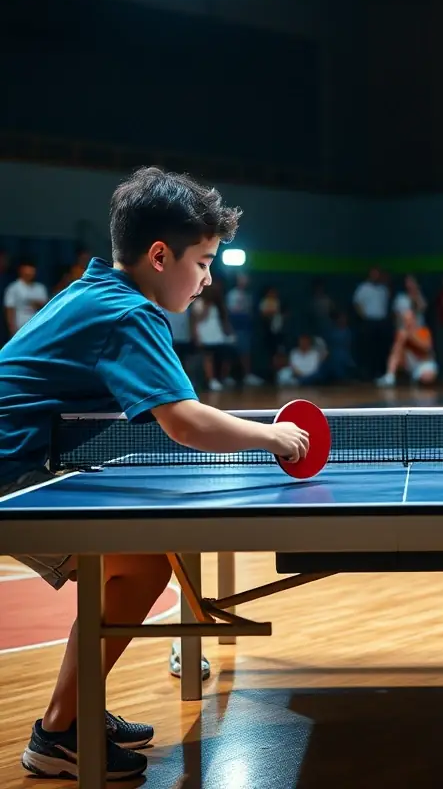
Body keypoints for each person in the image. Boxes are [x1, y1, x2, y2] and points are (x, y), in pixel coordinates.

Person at [0, 166, 309, 781]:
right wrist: (274, 436)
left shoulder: (91, 288)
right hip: (15, 476)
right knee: (140, 566)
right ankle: (60, 732)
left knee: (136, 563)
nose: (209, 277)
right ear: (160, 255)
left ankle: (74, 711)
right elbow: (188, 424)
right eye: (202, 261)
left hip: (24, 461)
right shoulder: (129, 315)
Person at [376, 308, 438, 387]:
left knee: (427, 379)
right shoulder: (401, 333)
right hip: (409, 365)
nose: (408, 322)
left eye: (409, 319)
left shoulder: (423, 331)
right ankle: (390, 377)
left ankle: (417, 378)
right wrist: (400, 341)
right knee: (396, 353)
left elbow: (427, 347)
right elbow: (394, 352)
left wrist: (411, 336)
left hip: (424, 363)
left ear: (414, 319)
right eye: (405, 320)